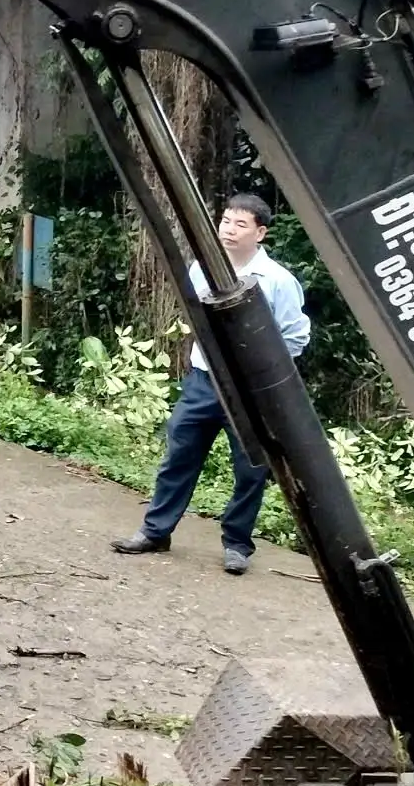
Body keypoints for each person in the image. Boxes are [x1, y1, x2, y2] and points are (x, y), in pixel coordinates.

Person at [112, 193, 310, 575]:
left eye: (240, 224)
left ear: (261, 233)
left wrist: (261, 371)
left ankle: (237, 544)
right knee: (178, 455)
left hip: (251, 391)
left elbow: (297, 337)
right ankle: (155, 531)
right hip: (203, 382)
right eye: (225, 221)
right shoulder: (200, 269)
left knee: (251, 469)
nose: (229, 230)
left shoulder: (279, 282)